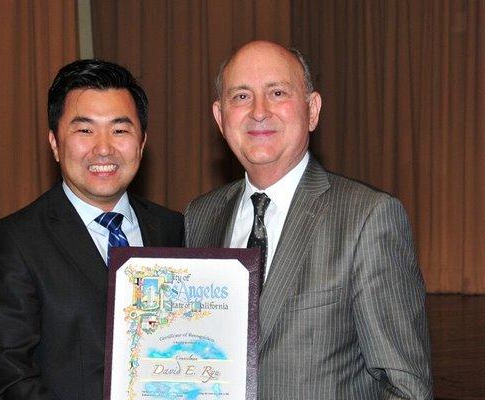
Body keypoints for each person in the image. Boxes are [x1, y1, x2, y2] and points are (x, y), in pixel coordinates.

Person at [185, 40, 433, 399]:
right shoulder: (200, 217)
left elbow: (406, 386)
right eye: (241, 96)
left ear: (312, 110)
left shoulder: (368, 218)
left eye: (278, 92)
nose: (258, 111)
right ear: (220, 117)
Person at [0, 59, 184, 400]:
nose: (103, 148)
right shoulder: (12, 243)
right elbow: (5, 381)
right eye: (84, 130)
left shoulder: (175, 229)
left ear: (142, 143)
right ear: (54, 143)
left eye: (120, 129)